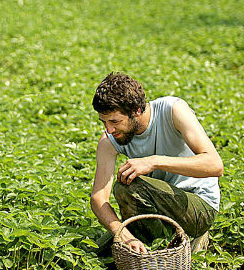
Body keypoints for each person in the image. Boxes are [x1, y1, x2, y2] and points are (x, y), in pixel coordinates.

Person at [90, 73, 222, 257]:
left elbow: (215, 165)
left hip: (197, 205)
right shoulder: (109, 140)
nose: (109, 129)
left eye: (115, 121)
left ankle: (162, 255)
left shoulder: (173, 110)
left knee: (129, 187)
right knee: (96, 256)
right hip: (154, 209)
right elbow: (98, 198)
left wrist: (153, 161)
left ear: (136, 110)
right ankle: (152, 250)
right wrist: (125, 235)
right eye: (104, 122)